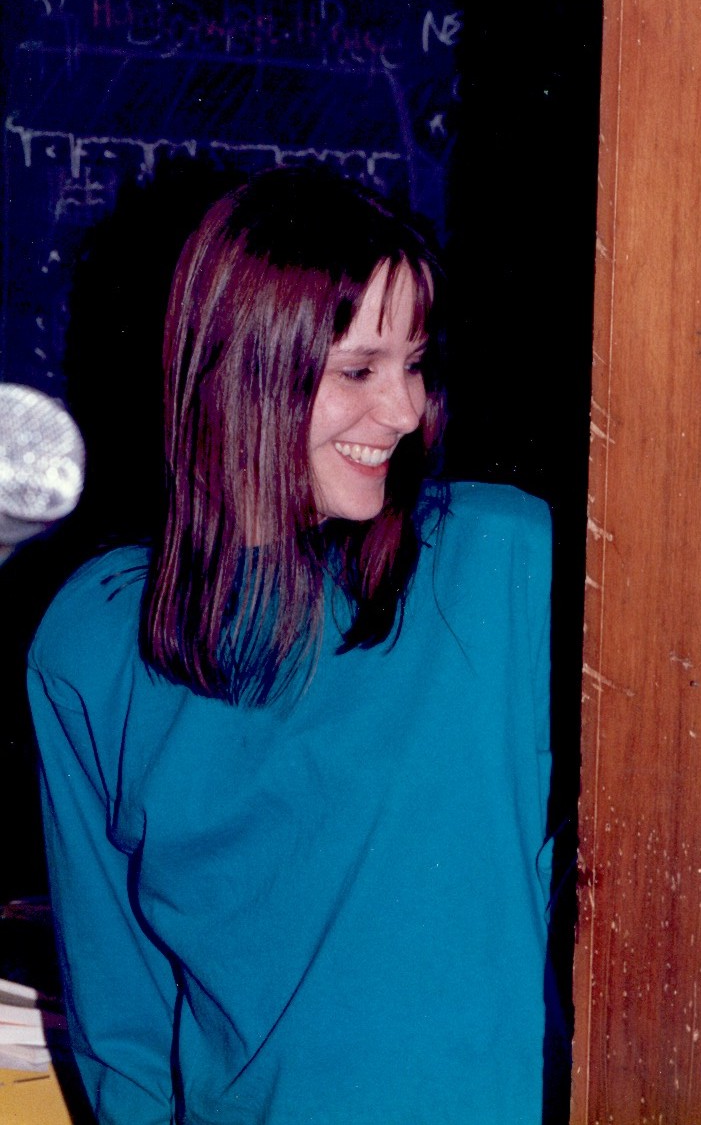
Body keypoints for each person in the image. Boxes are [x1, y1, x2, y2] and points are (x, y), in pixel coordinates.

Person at [27, 164, 553, 1124]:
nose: (402, 411)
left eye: (414, 362)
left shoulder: (502, 565)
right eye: (357, 369)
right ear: (237, 369)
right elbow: (125, 1029)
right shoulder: (90, 642)